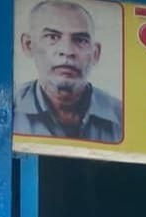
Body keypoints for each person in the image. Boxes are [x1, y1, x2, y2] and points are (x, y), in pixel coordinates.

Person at [15, 0, 122, 142]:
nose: (67, 51)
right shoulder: (10, 110)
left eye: (80, 40)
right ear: (28, 45)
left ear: (95, 53)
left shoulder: (122, 116)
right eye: (52, 37)